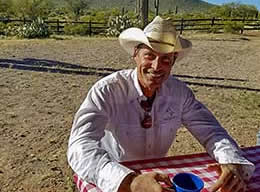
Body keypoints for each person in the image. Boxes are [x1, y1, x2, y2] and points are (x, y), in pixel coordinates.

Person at [67, 16, 255, 192]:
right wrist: (130, 181)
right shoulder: (108, 90)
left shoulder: (179, 93)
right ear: (136, 55)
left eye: (166, 59)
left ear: (173, 62)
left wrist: (229, 159)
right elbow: (80, 145)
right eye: (149, 56)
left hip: (159, 178)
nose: (157, 66)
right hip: (113, 176)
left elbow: (212, 131)